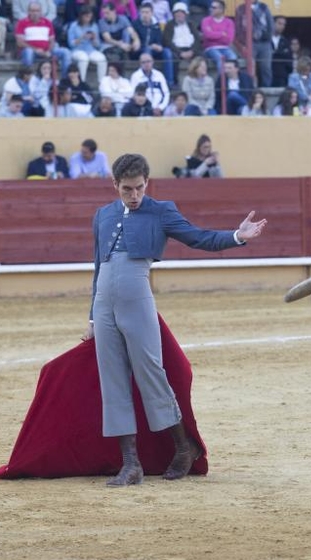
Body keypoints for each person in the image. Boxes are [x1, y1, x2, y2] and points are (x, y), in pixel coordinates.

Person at [82, 152, 266, 485]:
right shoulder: (102, 216)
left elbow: (199, 237)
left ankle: (183, 447)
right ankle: (130, 463)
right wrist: (92, 318)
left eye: (139, 188)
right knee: (112, 379)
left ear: (147, 183)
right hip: (103, 304)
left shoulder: (161, 211)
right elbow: (98, 266)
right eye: (127, 189)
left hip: (137, 298)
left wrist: (237, 236)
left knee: (151, 371)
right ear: (114, 185)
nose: (134, 195)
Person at [15, 1, 71, 73]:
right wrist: (36, 50)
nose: (35, 13)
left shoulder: (47, 22)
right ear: (28, 11)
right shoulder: (22, 23)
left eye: (37, 11)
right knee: (28, 52)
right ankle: (28, 78)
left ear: (41, 12)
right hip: (31, 51)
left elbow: (52, 40)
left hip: (46, 51)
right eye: (32, 11)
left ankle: (65, 80)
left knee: (66, 52)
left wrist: (48, 51)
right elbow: (19, 42)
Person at [234, 0, 273, 87]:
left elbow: (270, 24)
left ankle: (266, 88)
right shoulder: (240, 9)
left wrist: (265, 36)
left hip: (264, 43)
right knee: (249, 67)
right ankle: (249, 87)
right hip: (249, 43)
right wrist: (243, 41)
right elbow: (238, 27)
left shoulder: (264, 7)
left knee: (265, 67)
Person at [133, 2, 173, 87]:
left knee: (167, 52)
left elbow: (159, 39)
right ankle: (148, 78)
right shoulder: (135, 24)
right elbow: (135, 42)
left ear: (152, 13)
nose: (145, 15)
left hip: (153, 48)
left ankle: (169, 82)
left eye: (147, 12)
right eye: (143, 12)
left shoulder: (156, 25)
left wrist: (159, 46)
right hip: (141, 50)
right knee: (147, 51)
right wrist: (149, 46)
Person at [67, 6, 108, 83]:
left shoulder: (94, 26)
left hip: (91, 50)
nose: (88, 19)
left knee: (102, 59)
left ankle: (101, 83)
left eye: (90, 17)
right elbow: (71, 44)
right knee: (84, 59)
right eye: (86, 16)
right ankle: (81, 82)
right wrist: (81, 38)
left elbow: (98, 45)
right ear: (81, 16)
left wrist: (94, 39)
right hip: (77, 50)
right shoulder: (74, 26)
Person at [201, 0, 237, 72]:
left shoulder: (229, 22)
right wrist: (222, 34)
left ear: (221, 9)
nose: (211, 9)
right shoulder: (206, 20)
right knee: (220, 59)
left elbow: (229, 39)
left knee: (233, 57)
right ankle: (221, 82)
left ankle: (231, 80)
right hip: (210, 48)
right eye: (211, 7)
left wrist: (214, 34)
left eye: (214, 7)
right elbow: (208, 35)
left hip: (225, 47)